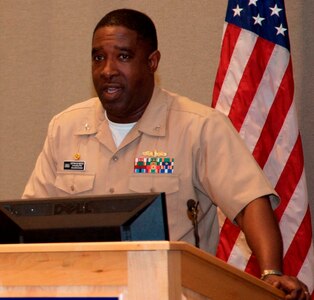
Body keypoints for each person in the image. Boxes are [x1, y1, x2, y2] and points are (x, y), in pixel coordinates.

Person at [22, 8, 310, 299]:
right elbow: (29, 221)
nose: (107, 69)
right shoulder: (66, 128)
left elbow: (251, 204)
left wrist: (271, 272)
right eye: (99, 57)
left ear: (152, 62)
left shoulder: (199, 127)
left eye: (123, 56)